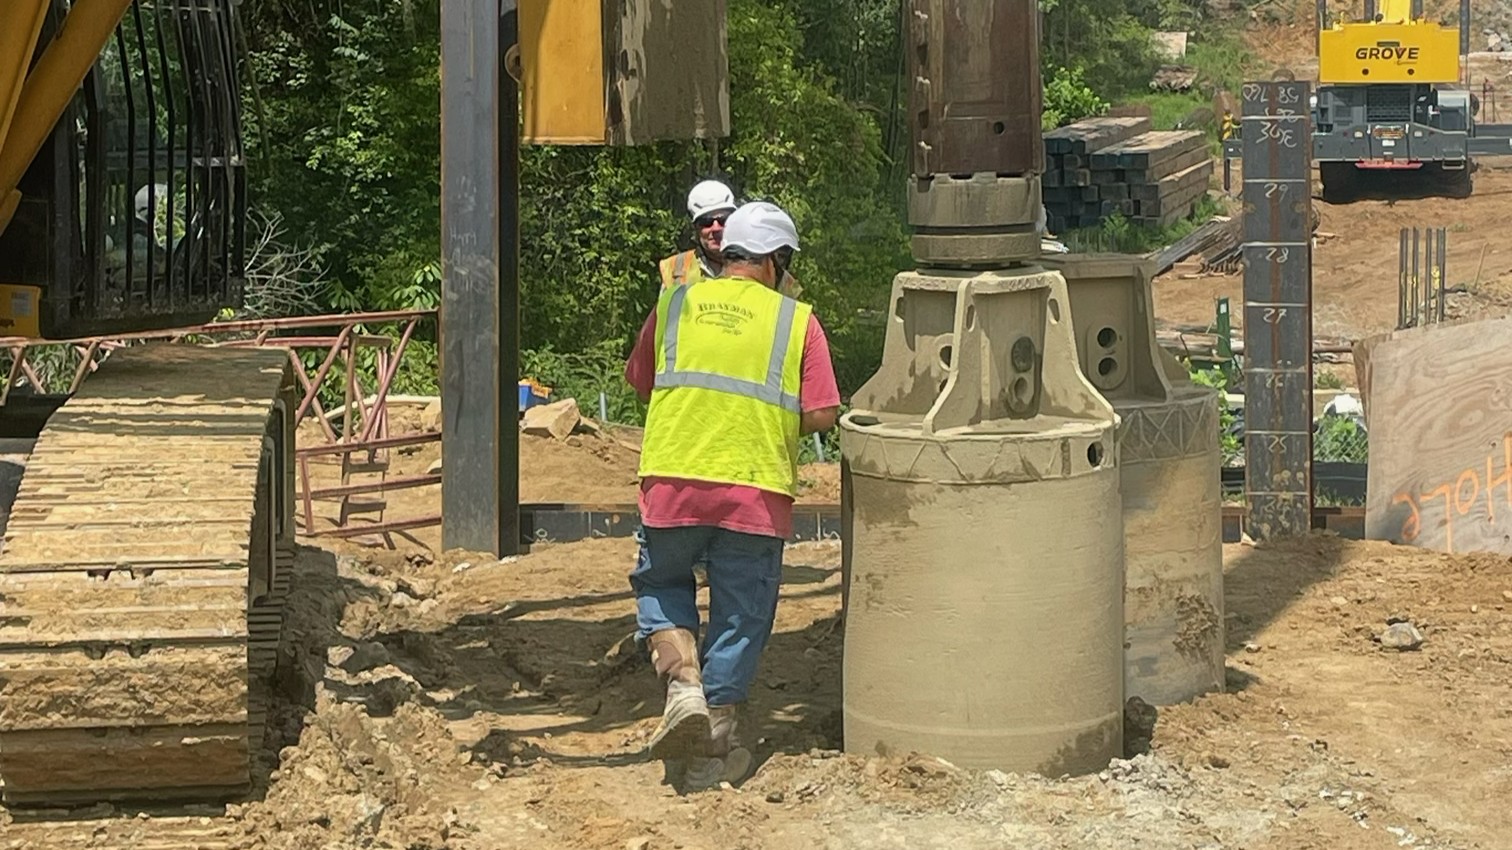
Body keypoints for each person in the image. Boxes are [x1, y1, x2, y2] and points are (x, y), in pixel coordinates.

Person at [624, 201, 840, 789]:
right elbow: (822, 413)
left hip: (672, 478)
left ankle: (682, 686)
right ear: (777, 260)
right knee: (740, 613)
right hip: (755, 490)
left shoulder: (674, 302)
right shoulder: (798, 322)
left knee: (663, 583)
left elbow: (641, 381)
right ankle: (716, 745)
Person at [658, 179, 803, 299]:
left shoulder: (769, 269)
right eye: (706, 222)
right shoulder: (675, 269)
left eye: (723, 220)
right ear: (695, 228)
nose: (716, 228)